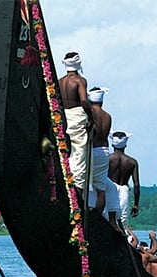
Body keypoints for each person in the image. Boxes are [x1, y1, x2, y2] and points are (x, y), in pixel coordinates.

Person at [58, 52, 93, 195]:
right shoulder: (79, 81)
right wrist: (91, 117)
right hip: (77, 116)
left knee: (66, 151)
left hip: (65, 117)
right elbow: (84, 100)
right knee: (79, 154)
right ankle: (76, 195)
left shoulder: (59, 82)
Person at [108, 131, 140, 226]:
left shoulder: (108, 159)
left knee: (108, 217)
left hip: (110, 189)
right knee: (122, 220)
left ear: (113, 145)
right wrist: (136, 204)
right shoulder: (132, 162)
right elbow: (136, 184)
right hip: (124, 191)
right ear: (125, 146)